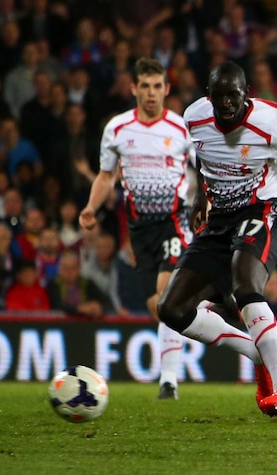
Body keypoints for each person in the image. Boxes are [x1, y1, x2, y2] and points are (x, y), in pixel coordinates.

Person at [157, 61, 277, 422]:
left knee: (245, 284)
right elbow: (203, 157)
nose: (226, 103)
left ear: (246, 93)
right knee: (171, 309)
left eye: (233, 95)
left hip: (268, 206)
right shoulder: (194, 118)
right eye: (218, 96)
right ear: (208, 95)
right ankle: (258, 352)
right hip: (220, 217)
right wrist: (202, 195)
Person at [79, 58, 204, 401]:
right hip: (140, 229)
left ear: (166, 89)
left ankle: (169, 383)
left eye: (157, 86)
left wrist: (205, 206)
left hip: (174, 222)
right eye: (144, 86)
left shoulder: (180, 129)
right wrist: (91, 207)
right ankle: (202, 315)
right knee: (158, 307)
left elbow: (204, 171)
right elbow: (106, 177)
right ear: (134, 88)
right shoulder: (118, 129)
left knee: (166, 295)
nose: (151, 93)